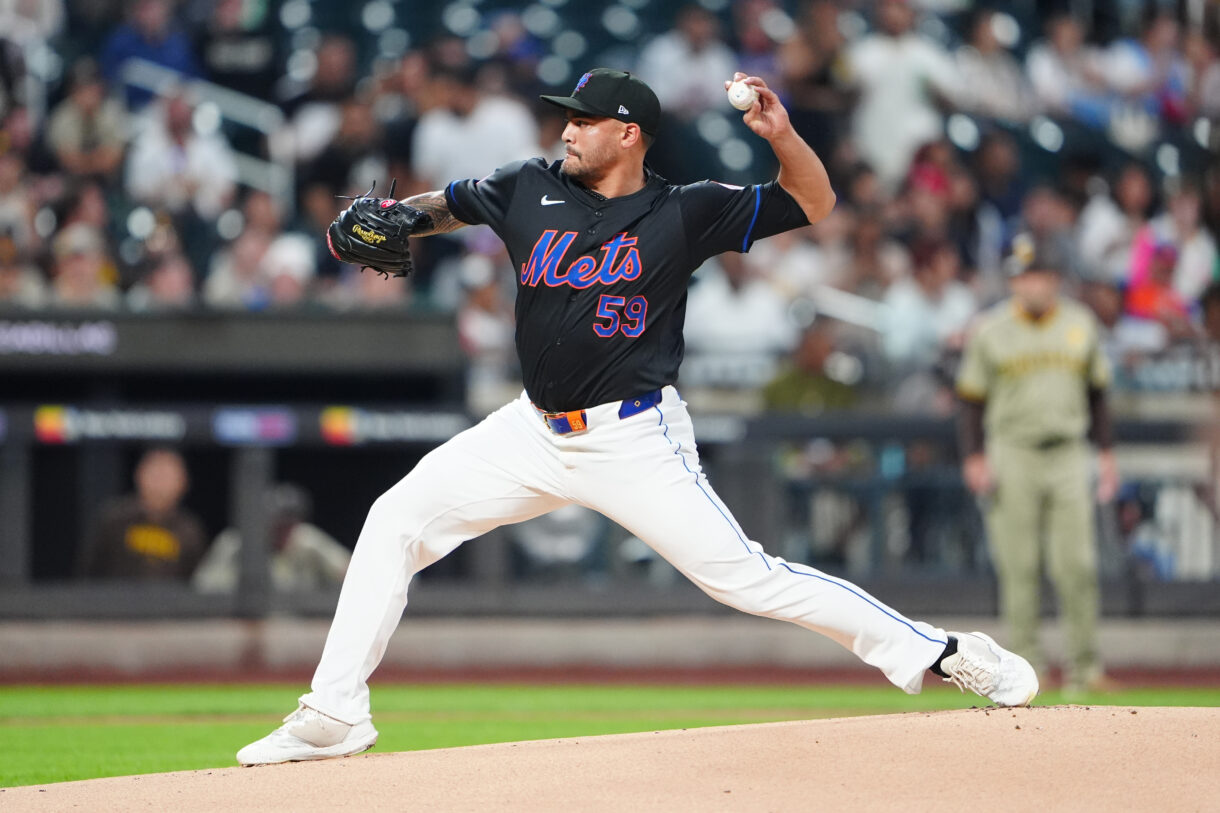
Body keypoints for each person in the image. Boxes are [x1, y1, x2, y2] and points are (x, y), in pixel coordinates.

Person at [236, 68, 1038, 767]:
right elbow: (447, 207)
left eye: (583, 121)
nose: (568, 131)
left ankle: (946, 652)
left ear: (628, 134)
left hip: (633, 437)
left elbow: (814, 200)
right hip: (529, 430)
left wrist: (783, 133)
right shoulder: (528, 185)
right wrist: (397, 217)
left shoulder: (685, 210)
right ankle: (335, 712)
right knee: (394, 518)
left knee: (750, 579)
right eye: (566, 118)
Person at [956, 234, 1120, 694]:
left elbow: (1098, 394)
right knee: (1019, 566)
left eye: (1037, 275)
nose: (1029, 285)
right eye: (1021, 276)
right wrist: (974, 456)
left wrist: (1106, 453)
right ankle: (1028, 670)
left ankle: (1086, 668)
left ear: (1054, 280)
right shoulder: (990, 328)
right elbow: (969, 400)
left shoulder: (1080, 323)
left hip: (1069, 449)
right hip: (1013, 450)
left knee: (1078, 565)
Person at [77, 447, 207, 581]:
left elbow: (197, 582)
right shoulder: (114, 519)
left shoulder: (190, 530)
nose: (160, 484)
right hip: (116, 599)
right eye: (155, 474)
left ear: (183, 483)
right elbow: (89, 570)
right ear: (139, 475)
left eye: (167, 476)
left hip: (169, 601)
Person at [193, 484, 350, 594]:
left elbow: (348, 571)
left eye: (290, 523)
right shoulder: (235, 543)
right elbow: (202, 589)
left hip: (296, 622)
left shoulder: (307, 540)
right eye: (278, 523)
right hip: (243, 622)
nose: (284, 530)